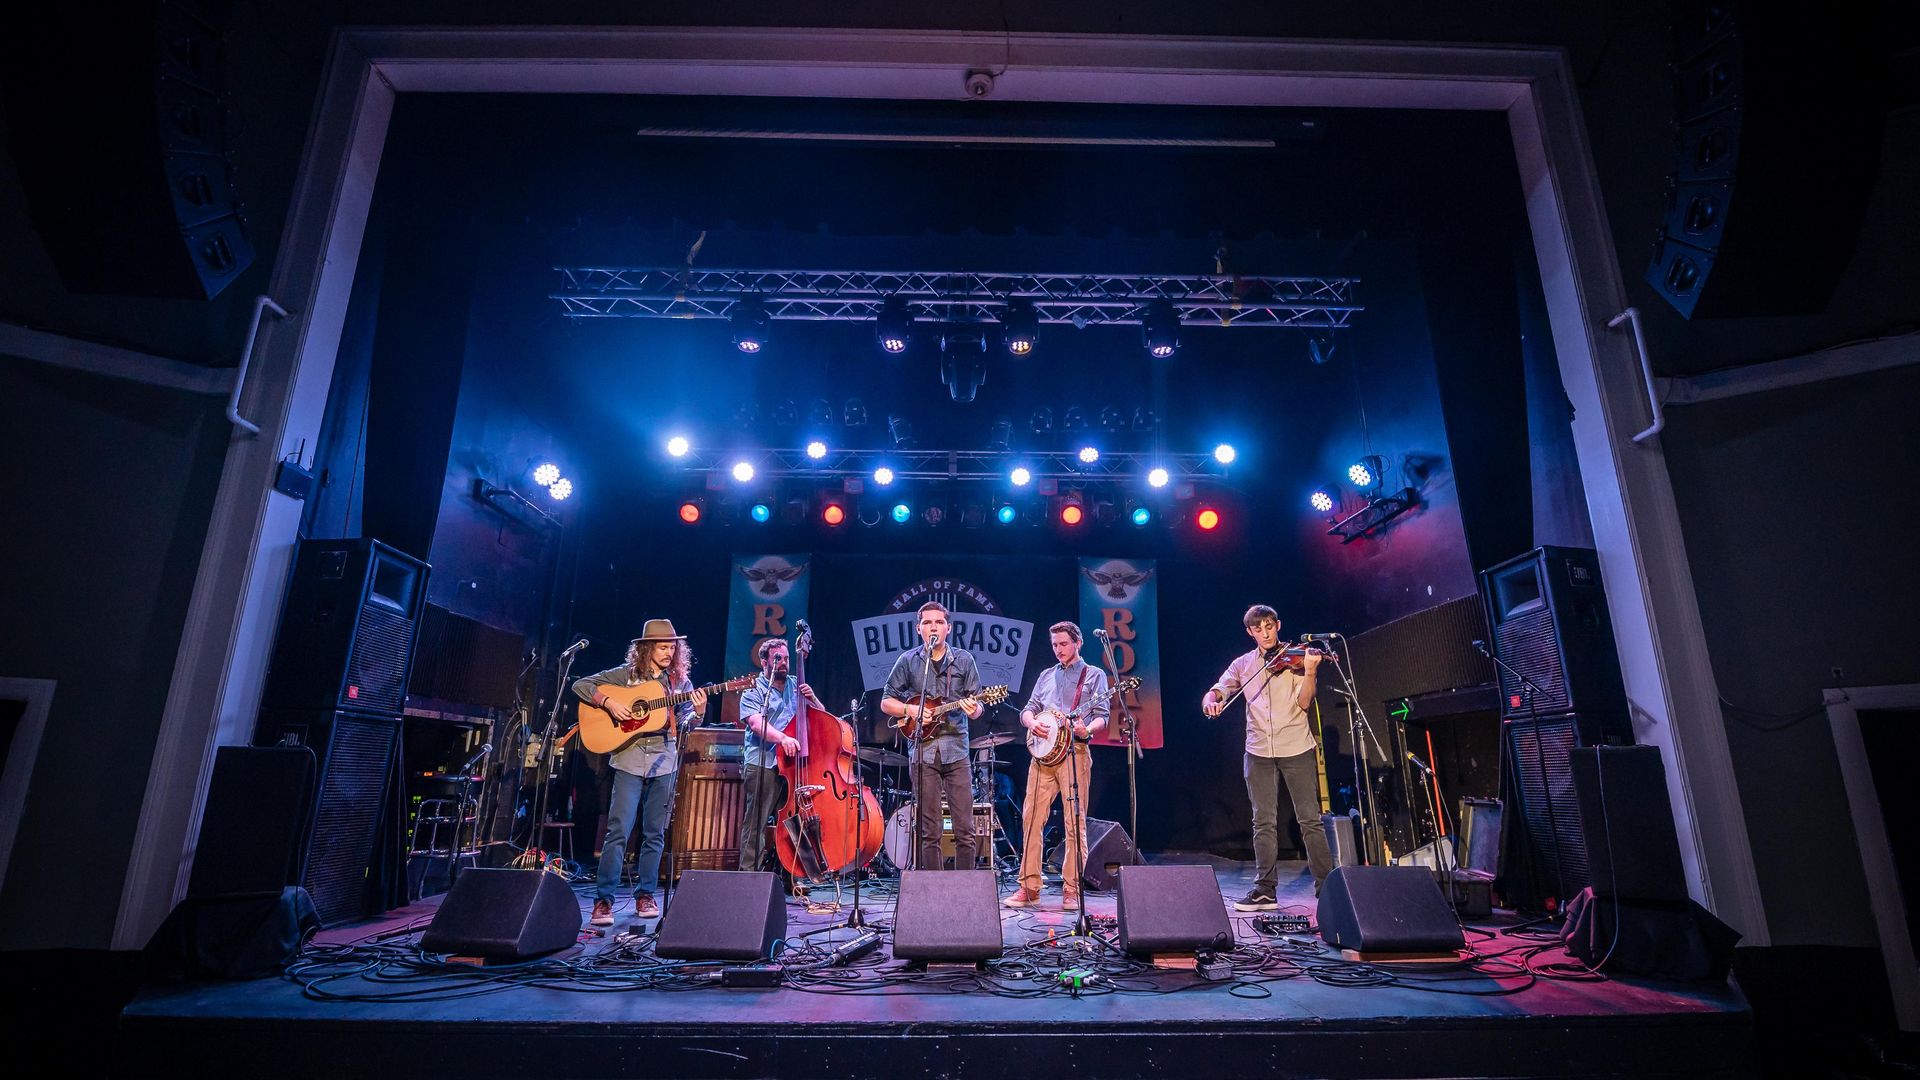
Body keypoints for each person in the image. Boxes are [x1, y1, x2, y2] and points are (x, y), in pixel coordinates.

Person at [573, 619, 707, 926]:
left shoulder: (680, 684)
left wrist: (697, 711)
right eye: (662, 647)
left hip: (664, 759)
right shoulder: (625, 675)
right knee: (618, 829)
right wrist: (608, 702)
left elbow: (687, 724)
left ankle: (645, 894)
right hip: (629, 757)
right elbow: (580, 685)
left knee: (654, 832)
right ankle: (604, 900)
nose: (668, 653)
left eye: (672, 647)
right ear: (646, 648)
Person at [1202, 604, 1332, 911]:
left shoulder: (1296, 659)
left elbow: (1304, 702)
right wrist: (1210, 699)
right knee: (1263, 821)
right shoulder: (1244, 664)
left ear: (1278, 625)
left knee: (1309, 820)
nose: (1265, 633)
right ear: (1250, 632)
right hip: (1258, 750)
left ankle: (1327, 887)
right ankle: (1264, 890)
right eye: (1258, 629)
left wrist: (1311, 671)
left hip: (1296, 747)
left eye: (1269, 627)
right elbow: (1220, 689)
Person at [1005, 621, 1109, 909]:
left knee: (1074, 822)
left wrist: (1087, 730)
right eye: (1054, 644)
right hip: (1042, 757)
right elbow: (1029, 708)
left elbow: (1102, 715)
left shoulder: (1094, 675)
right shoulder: (1046, 675)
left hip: (1074, 753)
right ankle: (1029, 886)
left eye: (1064, 643)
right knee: (1031, 819)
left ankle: (1072, 889)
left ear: (1077, 643)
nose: (1059, 649)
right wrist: (1031, 721)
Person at [879, 602, 984, 872]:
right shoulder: (909, 661)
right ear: (919, 629)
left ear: (948, 628)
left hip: (956, 750)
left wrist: (974, 709)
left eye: (938, 622)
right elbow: (886, 702)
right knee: (929, 830)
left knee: (965, 829)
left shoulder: (963, 660)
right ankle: (932, 890)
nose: (933, 627)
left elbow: (978, 704)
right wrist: (911, 709)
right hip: (922, 751)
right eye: (927, 623)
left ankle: (965, 889)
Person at [736, 636, 823, 877]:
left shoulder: (798, 685)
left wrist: (813, 698)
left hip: (794, 767)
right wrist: (783, 739)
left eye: (786, 658)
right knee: (757, 822)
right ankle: (749, 876)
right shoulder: (753, 691)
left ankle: (792, 876)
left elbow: (823, 718)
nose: (784, 662)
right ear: (764, 662)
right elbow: (756, 723)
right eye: (778, 658)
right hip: (763, 763)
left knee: (794, 822)